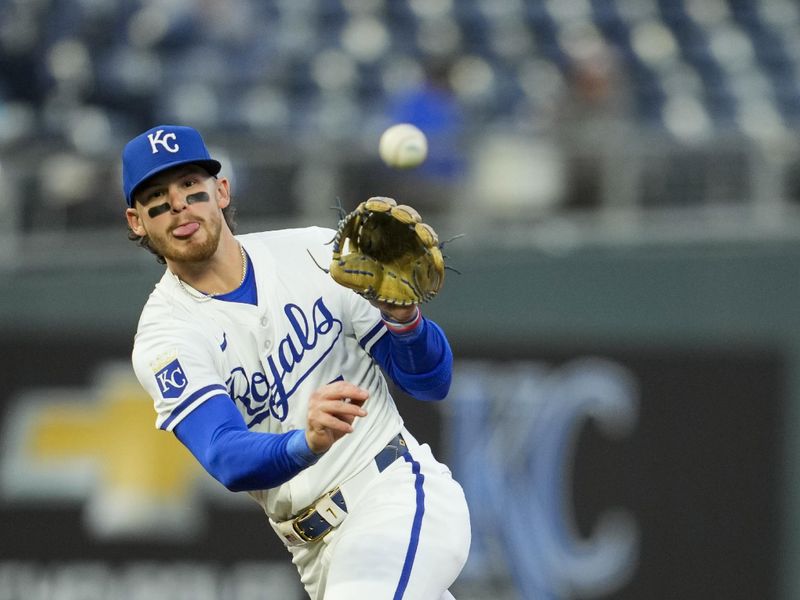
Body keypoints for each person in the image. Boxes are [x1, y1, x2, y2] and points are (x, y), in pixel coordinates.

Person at [121, 124, 471, 600]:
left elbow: (432, 383)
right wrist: (305, 443)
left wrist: (404, 320)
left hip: (394, 491)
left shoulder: (312, 252)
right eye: (156, 196)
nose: (179, 204)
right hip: (313, 552)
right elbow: (225, 454)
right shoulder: (167, 335)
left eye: (190, 186)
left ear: (221, 191)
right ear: (137, 221)